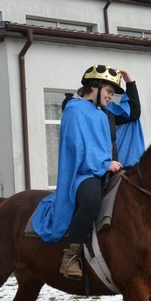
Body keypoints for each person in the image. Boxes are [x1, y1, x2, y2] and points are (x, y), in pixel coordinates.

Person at [32, 64, 127, 279]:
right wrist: (104, 165)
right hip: (83, 173)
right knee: (92, 201)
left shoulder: (101, 114)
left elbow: (104, 146)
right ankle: (71, 256)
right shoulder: (74, 109)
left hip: (104, 169)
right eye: (109, 92)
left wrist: (113, 162)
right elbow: (77, 149)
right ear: (95, 87)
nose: (111, 97)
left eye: (112, 94)